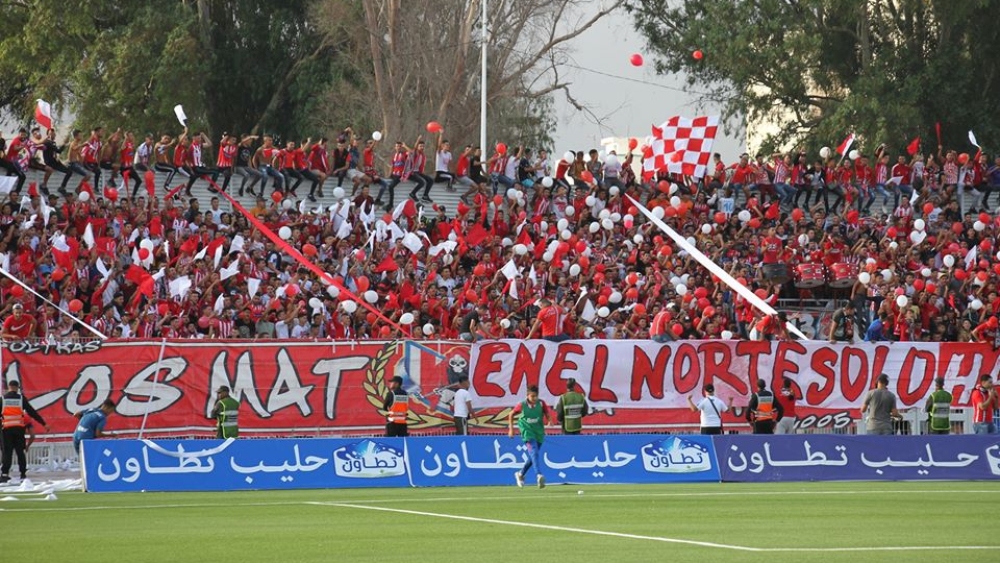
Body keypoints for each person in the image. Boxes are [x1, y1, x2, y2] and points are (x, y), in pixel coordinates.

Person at [1, 380, 48, 482]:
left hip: (6, 430)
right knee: (20, 452)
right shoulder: (21, 399)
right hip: (19, 430)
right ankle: (22, 474)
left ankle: (4, 474)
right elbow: (32, 412)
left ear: (9, 387)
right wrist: (44, 423)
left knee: (7, 452)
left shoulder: (3, 399)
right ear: (17, 387)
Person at [508, 384, 550, 489]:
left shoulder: (541, 403)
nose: (534, 398)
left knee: (532, 456)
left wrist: (550, 420)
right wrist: (511, 429)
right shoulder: (522, 405)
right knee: (534, 453)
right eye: (532, 396)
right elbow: (511, 414)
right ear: (527, 396)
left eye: (536, 396)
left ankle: (520, 474)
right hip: (527, 432)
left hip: (538, 432)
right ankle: (539, 475)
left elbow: (547, 412)